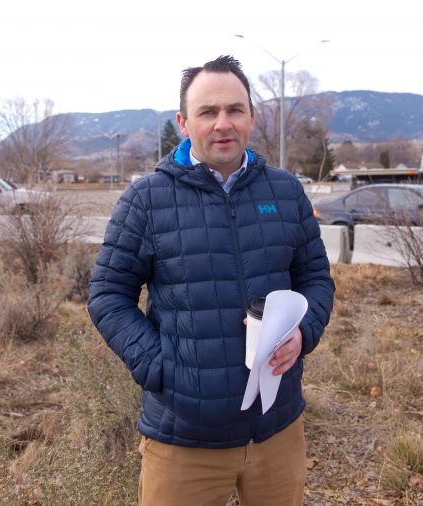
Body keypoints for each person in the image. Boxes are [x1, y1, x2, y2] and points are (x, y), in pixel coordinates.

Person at [88, 55, 334, 505]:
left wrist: (304, 332)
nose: (223, 123)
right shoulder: (146, 200)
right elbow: (108, 296)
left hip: (276, 425)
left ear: (252, 118)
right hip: (185, 437)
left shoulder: (285, 192)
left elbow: (315, 278)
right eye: (208, 112)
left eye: (235, 110)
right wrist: (162, 368)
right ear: (184, 123)